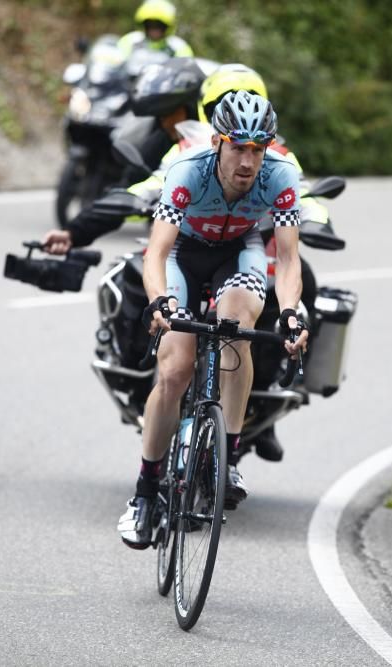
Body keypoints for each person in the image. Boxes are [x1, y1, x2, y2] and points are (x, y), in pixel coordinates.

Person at [44, 61, 333, 464]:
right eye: (220, 105)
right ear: (212, 122)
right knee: (170, 354)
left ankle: (263, 414)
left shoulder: (279, 161)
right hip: (184, 247)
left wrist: (318, 225)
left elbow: (304, 201)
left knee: (277, 305)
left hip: (247, 247)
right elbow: (140, 201)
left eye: (256, 148)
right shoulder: (187, 158)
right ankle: (142, 404)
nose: (247, 159)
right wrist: (76, 232)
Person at [120, 91, 308, 548]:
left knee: (237, 331)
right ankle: (145, 491)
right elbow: (157, 252)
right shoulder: (188, 171)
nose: (248, 162)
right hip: (183, 255)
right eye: (238, 148)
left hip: (238, 252)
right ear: (218, 142)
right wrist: (160, 301)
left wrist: (289, 314)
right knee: (175, 368)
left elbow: (285, 261)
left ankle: (229, 454)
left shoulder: (281, 176)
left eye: (257, 149)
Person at [117, 0, 192, 59]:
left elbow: (187, 68)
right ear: (144, 25)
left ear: (167, 27)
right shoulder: (131, 41)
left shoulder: (177, 46)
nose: (154, 29)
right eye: (149, 24)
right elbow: (116, 61)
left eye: (159, 25)